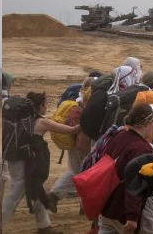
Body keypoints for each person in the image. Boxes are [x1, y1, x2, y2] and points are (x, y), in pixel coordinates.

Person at [2, 92, 81, 234]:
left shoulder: (22, 121)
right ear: (40, 105)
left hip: (16, 161)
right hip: (27, 166)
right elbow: (71, 130)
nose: (47, 106)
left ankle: (44, 227)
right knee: (13, 198)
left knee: (36, 194)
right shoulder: (42, 122)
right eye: (45, 103)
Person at [98, 101, 153, 234]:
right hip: (124, 212)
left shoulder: (119, 136)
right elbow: (135, 184)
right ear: (147, 122)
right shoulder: (143, 148)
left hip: (107, 206)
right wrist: (132, 216)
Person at [48, 77, 97, 207]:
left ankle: (55, 194)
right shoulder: (91, 101)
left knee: (76, 171)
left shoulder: (78, 99)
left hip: (72, 141)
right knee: (86, 173)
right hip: (84, 143)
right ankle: (83, 204)